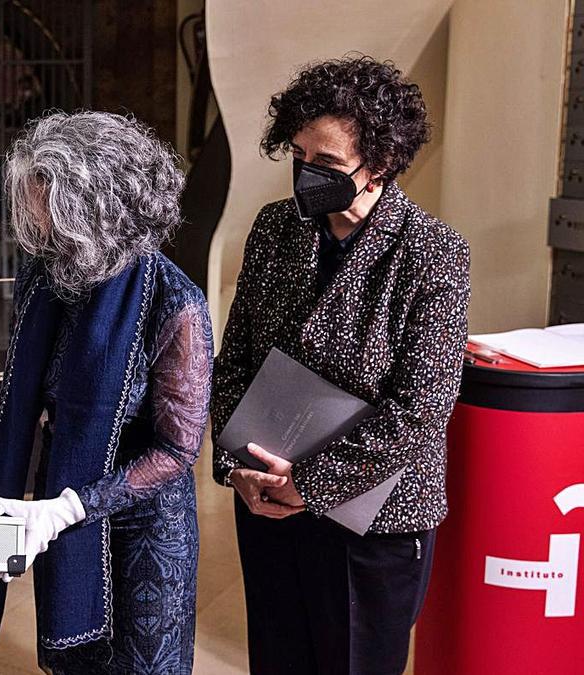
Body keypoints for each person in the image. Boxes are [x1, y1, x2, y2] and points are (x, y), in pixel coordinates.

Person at [0, 111, 212, 674]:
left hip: (140, 532)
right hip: (61, 505)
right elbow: (26, 400)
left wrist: (71, 508)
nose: (34, 222)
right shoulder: (52, 274)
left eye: (44, 204)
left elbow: (177, 452)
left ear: (95, 209)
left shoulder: (175, 303)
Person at [211, 56, 471, 675]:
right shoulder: (276, 228)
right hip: (267, 502)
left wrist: (311, 484)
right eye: (298, 156)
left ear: (379, 163)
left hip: (373, 521)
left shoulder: (432, 253)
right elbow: (235, 361)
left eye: (326, 164)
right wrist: (237, 468)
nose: (306, 175)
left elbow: (420, 410)